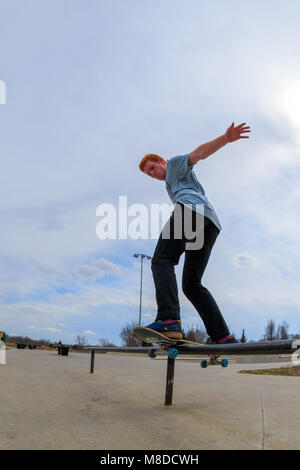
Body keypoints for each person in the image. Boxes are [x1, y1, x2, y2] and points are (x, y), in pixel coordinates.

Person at [138, 122, 250, 344]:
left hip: (192, 211)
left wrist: (225, 139)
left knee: (162, 259)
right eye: (149, 174)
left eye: (152, 168)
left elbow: (198, 154)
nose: (153, 174)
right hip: (210, 222)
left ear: (161, 161)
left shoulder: (173, 165)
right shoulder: (171, 182)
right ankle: (223, 336)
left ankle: (168, 320)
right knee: (191, 284)